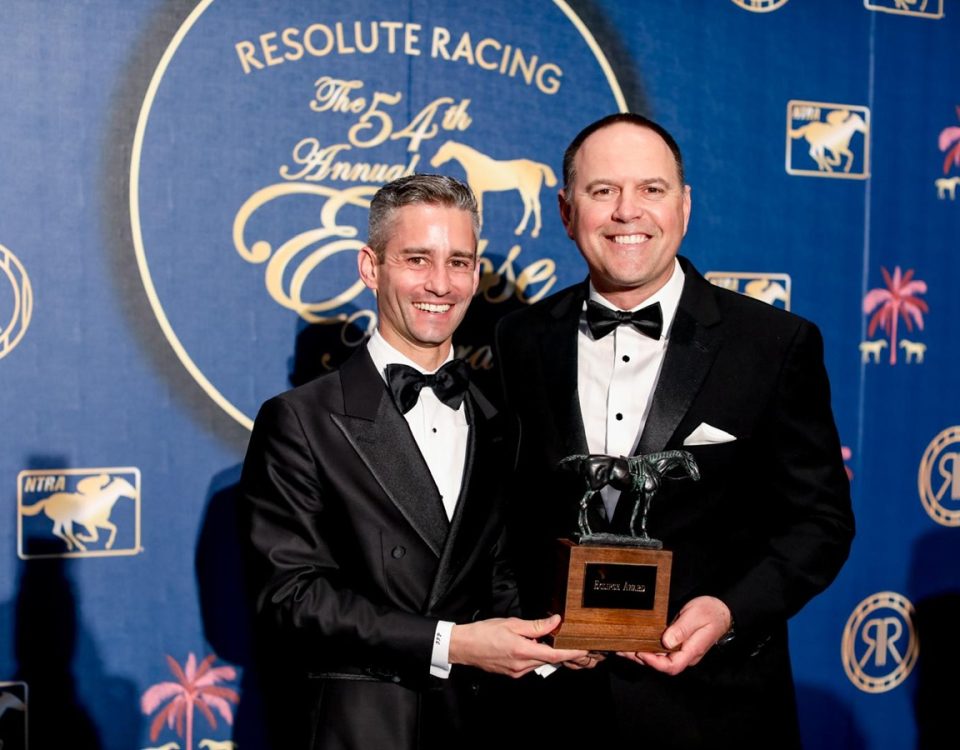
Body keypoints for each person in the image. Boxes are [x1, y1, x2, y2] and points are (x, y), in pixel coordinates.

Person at [495, 114, 855, 748]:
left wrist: (727, 612)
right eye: (602, 191)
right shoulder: (520, 339)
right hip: (553, 709)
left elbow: (819, 524)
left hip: (714, 710)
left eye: (651, 190)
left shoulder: (771, 346)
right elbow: (507, 512)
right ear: (565, 210)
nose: (627, 212)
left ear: (684, 207)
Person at [240, 173, 588, 750]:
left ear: (476, 274)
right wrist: (451, 643)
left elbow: (497, 577)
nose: (440, 284)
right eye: (417, 259)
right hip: (360, 727)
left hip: (479, 725)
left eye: (459, 262)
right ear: (370, 268)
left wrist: (557, 644)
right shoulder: (300, 420)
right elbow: (289, 599)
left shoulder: (498, 420)